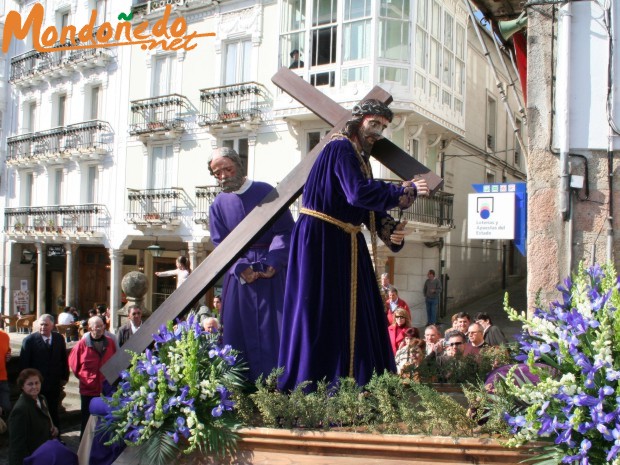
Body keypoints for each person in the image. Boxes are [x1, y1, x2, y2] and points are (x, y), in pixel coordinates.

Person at [278, 99, 429, 390]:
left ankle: (357, 387)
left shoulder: (360, 158)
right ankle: (318, 387)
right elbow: (357, 193)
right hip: (321, 241)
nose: (378, 132)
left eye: (383, 127)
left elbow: (362, 207)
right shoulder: (339, 147)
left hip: (343, 239)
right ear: (358, 121)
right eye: (374, 124)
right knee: (321, 316)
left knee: (359, 316)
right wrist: (404, 189)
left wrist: (389, 231)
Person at [208, 147, 295, 382]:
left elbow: (286, 231)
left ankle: (280, 383)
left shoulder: (265, 191)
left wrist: (273, 261)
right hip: (239, 279)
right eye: (217, 173)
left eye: (227, 168)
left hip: (271, 273)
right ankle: (242, 389)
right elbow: (220, 243)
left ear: (239, 165)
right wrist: (239, 267)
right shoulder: (217, 204)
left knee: (275, 331)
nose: (224, 175)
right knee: (238, 334)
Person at [20, 314, 69, 432]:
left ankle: (56, 436)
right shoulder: (30, 340)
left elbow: (63, 359)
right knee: (38, 414)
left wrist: (64, 376)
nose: (42, 327)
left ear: (52, 325)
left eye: (46, 324)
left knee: (53, 411)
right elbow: (24, 365)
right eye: (41, 324)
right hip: (36, 385)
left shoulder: (58, 339)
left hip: (54, 384)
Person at [68, 316, 116, 437]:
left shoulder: (110, 342)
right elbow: (74, 365)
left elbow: (115, 360)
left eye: (101, 326)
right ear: (90, 328)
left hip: (105, 389)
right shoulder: (81, 345)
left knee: (105, 420)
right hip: (88, 390)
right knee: (87, 420)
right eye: (96, 326)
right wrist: (85, 378)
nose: (99, 329)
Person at [8, 368, 58, 465]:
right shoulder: (20, 410)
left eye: (37, 383)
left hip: (44, 454)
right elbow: (17, 446)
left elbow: (44, 420)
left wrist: (53, 429)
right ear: (22, 386)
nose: (34, 386)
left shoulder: (42, 399)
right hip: (32, 458)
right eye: (30, 384)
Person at [0, 328, 10, 418]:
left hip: (3, 378)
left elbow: (7, 351)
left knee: (6, 407)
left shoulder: (5, 336)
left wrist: (8, 356)